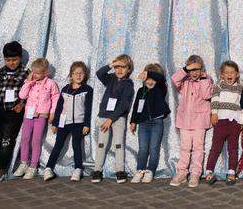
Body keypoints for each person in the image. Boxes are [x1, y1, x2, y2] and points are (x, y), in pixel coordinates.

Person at [0, 41, 29, 182]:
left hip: (13, 112)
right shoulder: (1, 73)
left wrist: (22, 104)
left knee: (7, 141)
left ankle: (2, 169)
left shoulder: (25, 73)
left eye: (14, 59)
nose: (11, 63)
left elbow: (28, 92)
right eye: (8, 60)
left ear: (20, 58)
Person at [42, 61, 93, 181]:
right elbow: (59, 107)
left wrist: (86, 124)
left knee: (76, 146)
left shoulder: (87, 89)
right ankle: (48, 168)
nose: (78, 75)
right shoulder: (65, 89)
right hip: (64, 123)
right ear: (71, 75)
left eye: (81, 73)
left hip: (78, 123)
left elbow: (88, 108)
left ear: (85, 75)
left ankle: (78, 169)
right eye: (75, 73)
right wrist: (55, 123)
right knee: (58, 145)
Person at [170, 54, 214, 187]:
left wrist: (203, 78)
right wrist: (185, 69)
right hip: (185, 120)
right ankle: (182, 172)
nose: (194, 73)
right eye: (191, 70)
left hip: (199, 120)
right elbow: (174, 79)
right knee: (185, 148)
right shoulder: (185, 81)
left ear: (201, 69)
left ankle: (195, 173)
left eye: (197, 69)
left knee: (198, 148)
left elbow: (207, 95)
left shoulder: (207, 79)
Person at [13, 57, 60, 180]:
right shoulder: (30, 83)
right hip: (28, 115)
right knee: (25, 138)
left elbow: (55, 98)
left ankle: (33, 166)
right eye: (33, 72)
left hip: (41, 116)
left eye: (38, 73)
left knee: (36, 140)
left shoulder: (51, 83)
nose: (35, 75)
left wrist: (52, 113)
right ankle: (23, 163)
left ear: (46, 73)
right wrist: (28, 82)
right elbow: (22, 95)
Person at [92, 54, 134, 183]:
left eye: (123, 67)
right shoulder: (110, 79)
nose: (119, 70)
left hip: (118, 118)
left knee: (118, 144)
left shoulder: (128, 84)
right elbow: (99, 73)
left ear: (128, 69)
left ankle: (119, 170)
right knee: (101, 144)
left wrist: (111, 119)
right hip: (104, 116)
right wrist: (111, 65)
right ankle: (97, 170)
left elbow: (124, 105)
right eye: (117, 67)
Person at [204, 60, 243, 185]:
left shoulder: (240, 87)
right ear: (222, 74)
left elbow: (241, 106)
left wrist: (241, 120)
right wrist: (214, 113)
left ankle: (231, 173)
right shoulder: (218, 85)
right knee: (215, 148)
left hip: (234, 122)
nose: (229, 75)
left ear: (237, 74)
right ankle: (208, 172)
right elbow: (214, 100)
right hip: (221, 120)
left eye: (232, 72)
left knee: (233, 148)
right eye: (226, 72)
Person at [130, 63, 170, 183]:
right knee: (143, 148)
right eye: (148, 79)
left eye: (153, 79)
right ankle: (139, 170)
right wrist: (133, 121)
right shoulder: (141, 91)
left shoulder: (160, 89)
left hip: (157, 123)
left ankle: (150, 170)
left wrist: (149, 73)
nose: (150, 81)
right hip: (143, 124)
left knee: (153, 148)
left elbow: (161, 79)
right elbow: (136, 106)